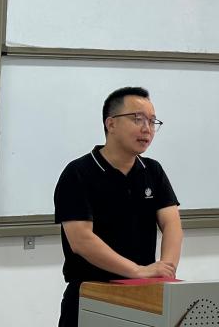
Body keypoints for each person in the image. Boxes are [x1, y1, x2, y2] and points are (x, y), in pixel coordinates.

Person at [54, 86, 182, 327]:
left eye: (152, 121)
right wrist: (137, 271)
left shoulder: (152, 171)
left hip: (143, 295)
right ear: (111, 124)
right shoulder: (78, 172)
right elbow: (81, 240)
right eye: (138, 119)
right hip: (92, 295)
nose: (147, 128)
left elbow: (172, 223)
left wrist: (166, 269)